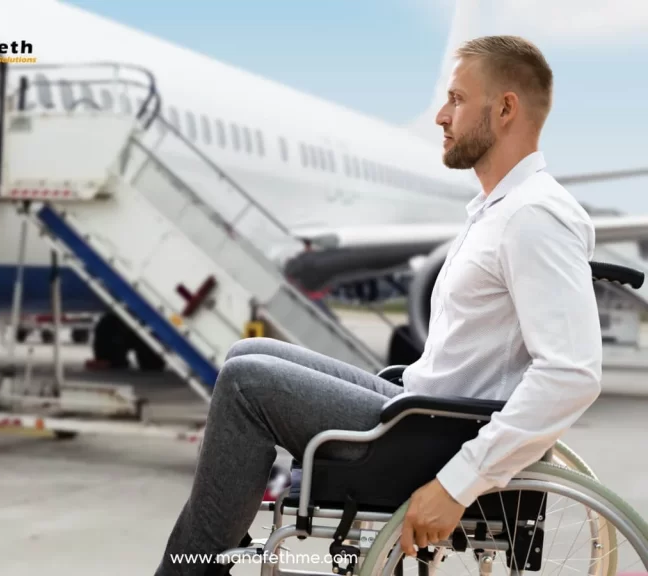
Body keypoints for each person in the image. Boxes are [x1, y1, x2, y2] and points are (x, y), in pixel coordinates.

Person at [154, 35, 602, 575]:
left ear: (505, 108)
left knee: (246, 386)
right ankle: (209, 553)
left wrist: (456, 484)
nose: (441, 115)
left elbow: (573, 373)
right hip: (423, 412)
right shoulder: (498, 210)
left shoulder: (535, 216)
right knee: (245, 353)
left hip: (434, 440)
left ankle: (190, 568)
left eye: (457, 99)